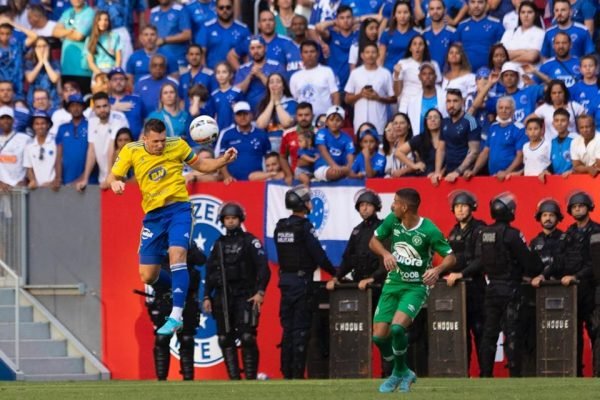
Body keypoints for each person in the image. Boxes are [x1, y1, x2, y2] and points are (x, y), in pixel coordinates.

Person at [106, 118, 238, 336]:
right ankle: (175, 288)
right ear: (145, 138)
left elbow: (202, 166)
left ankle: (175, 315)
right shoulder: (132, 150)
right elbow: (113, 174)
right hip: (153, 217)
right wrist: (115, 182)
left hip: (179, 210)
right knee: (148, 276)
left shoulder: (177, 145)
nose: (160, 145)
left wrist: (223, 160)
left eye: (163, 140)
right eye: (156, 141)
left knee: (177, 256)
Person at [370, 188, 455, 392]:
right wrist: (385, 254)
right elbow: (373, 241)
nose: (393, 205)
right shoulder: (393, 220)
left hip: (416, 286)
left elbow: (451, 257)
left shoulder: (429, 230)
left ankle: (397, 373)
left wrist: (438, 269)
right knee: (379, 337)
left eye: (396, 202)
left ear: (405, 207)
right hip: (393, 283)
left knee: (398, 328)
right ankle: (403, 371)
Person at [274, 185, 337, 379]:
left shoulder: (280, 226)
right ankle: (297, 376)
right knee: (300, 330)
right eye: (308, 201)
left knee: (288, 330)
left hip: (285, 281)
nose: (310, 203)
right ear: (303, 204)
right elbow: (318, 255)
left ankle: (286, 374)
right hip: (302, 283)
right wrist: (336, 273)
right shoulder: (304, 227)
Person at [203, 203, 270, 380]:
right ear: (222, 221)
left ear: (240, 219)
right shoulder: (218, 244)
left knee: (247, 337)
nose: (230, 221)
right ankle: (234, 380)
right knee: (225, 338)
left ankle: (250, 379)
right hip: (223, 297)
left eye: (233, 218)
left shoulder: (250, 241)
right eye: (227, 218)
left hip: (245, 295)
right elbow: (210, 272)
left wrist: (260, 292)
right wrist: (207, 296)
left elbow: (264, 268)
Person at [536, 192, 599, 376]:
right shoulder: (568, 233)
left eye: (581, 205)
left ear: (589, 207)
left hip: (593, 290)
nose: (578, 208)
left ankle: (598, 375)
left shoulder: (597, 231)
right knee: (573, 334)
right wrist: (542, 275)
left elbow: (595, 263)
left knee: (596, 332)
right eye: (574, 206)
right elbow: (558, 260)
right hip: (572, 293)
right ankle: (576, 374)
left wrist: (576, 276)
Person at [472, 192, 533, 377]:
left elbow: (479, 260)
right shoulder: (512, 235)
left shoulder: (483, 233)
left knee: (489, 333)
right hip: (511, 289)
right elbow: (531, 263)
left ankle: (485, 374)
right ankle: (514, 374)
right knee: (512, 332)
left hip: (491, 289)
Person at [146, 242, 205, 381]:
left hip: (187, 298)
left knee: (186, 339)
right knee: (162, 339)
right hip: (165, 299)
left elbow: (202, 260)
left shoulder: (189, 244)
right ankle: (161, 379)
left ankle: (188, 379)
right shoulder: (159, 244)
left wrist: (188, 247)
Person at [444, 191, 486, 375]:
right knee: (460, 334)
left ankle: (486, 374)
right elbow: (448, 258)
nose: (460, 209)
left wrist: (461, 274)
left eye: (464, 205)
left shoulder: (480, 229)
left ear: (472, 208)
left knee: (480, 333)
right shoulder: (453, 232)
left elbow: (481, 259)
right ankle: (463, 373)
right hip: (456, 292)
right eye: (457, 206)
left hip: (476, 289)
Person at [326, 188, 386, 290]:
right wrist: (336, 277)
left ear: (375, 207)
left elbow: (388, 259)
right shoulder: (357, 231)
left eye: (369, 205)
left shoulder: (383, 227)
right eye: (362, 205)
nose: (364, 208)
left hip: (380, 283)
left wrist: (373, 278)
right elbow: (348, 259)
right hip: (359, 283)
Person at [465, 96, 527, 180]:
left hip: (511, 178)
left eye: (507, 108)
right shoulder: (493, 127)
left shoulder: (519, 128)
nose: (503, 110)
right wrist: (474, 171)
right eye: (501, 108)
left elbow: (520, 156)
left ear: (513, 111)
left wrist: (506, 172)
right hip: (493, 178)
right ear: (497, 110)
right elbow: (485, 152)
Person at [77, 91, 128, 190]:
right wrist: (85, 179)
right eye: (98, 107)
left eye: (105, 106)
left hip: (120, 178)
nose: (102, 110)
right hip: (102, 179)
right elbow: (91, 151)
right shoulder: (92, 120)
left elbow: (112, 149)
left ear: (109, 105)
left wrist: (110, 178)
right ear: (94, 108)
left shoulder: (119, 119)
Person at [345, 42, 395, 136]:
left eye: (373, 52)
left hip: (379, 123)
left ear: (378, 55)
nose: (370, 55)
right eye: (367, 52)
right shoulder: (355, 73)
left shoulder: (385, 73)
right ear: (362, 55)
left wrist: (378, 98)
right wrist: (360, 94)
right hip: (360, 123)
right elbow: (347, 99)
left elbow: (393, 98)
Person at [431, 89, 481, 184]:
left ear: (462, 102)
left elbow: (474, 151)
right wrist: (437, 172)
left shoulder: (471, 120)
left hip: (466, 176)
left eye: (455, 101)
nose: (451, 105)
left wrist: (458, 172)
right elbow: (441, 149)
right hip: (448, 174)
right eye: (448, 101)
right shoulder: (445, 122)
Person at [215, 101, 271, 182]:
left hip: (257, 182)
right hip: (233, 182)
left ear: (251, 115)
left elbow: (269, 158)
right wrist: (227, 176)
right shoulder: (227, 134)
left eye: (245, 114)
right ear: (234, 117)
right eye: (239, 114)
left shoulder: (261, 134)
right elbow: (222, 158)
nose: (242, 117)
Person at [234, 35, 285, 113]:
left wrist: (261, 75)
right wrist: (249, 77)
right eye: (252, 48)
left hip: (272, 112)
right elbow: (237, 93)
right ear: (249, 51)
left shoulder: (276, 66)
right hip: (248, 114)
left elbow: (279, 90)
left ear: (265, 48)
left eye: (259, 47)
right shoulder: (242, 69)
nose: (256, 51)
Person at [289, 39, 340, 119]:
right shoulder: (295, 77)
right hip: (304, 122)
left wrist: (335, 115)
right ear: (301, 55)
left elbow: (335, 95)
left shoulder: (327, 71)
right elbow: (294, 100)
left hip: (324, 120)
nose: (309, 55)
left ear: (318, 53)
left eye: (312, 51)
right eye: (306, 52)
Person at [52, 0, 95, 94]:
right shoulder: (68, 13)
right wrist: (70, 31)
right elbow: (54, 32)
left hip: (83, 69)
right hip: (66, 67)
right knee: (68, 103)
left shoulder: (90, 13)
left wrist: (63, 32)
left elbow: (78, 36)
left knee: (83, 102)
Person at [198, 0, 251, 70]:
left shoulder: (243, 28)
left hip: (236, 74)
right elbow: (202, 54)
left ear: (232, 8)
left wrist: (243, 74)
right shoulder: (207, 28)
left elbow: (247, 55)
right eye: (221, 8)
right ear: (216, 9)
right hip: (213, 74)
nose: (224, 10)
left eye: (228, 7)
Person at [315, 5, 357, 91]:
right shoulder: (332, 35)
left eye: (348, 17)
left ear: (352, 18)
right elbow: (318, 27)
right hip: (334, 81)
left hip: (353, 82)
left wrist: (358, 19)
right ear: (337, 19)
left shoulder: (358, 35)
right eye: (342, 18)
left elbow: (379, 18)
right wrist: (334, 22)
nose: (345, 21)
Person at [456, 0, 504, 72]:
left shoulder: (496, 25)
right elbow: (456, 52)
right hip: (465, 73)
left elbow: (502, 52)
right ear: (468, 4)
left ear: (486, 4)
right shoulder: (461, 26)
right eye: (473, 2)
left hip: (490, 74)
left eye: (480, 2)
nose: (476, 5)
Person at [255, 72, 297, 151]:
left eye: (278, 81)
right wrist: (271, 102)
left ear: (283, 86)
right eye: (271, 82)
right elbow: (260, 125)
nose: (275, 84)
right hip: (268, 143)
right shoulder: (263, 104)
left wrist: (277, 102)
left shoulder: (292, 103)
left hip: (286, 142)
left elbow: (287, 123)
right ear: (268, 86)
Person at [54, 93, 90, 186]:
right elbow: (58, 156)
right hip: (67, 179)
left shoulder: (91, 125)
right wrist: (58, 177)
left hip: (88, 180)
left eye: (79, 105)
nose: (76, 108)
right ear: (68, 108)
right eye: (73, 105)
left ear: (83, 107)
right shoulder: (62, 128)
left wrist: (84, 177)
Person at [313, 105, 354, 182]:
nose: (334, 123)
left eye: (338, 120)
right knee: (333, 173)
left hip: (341, 168)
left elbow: (350, 155)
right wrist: (334, 165)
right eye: (331, 120)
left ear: (342, 123)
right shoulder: (322, 133)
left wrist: (349, 167)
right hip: (322, 167)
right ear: (327, 122)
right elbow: (322, 150)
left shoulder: (347, 138)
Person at [378, 1, 420, 74]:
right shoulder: (386, 34)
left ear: (410, 14)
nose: (402, 16)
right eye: (399, 12)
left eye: (405, 12)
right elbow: (381, 58)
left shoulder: (417, 34)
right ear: (394, 15)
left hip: (409, 73)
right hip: (389, 72)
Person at [149, 0, 192, 71]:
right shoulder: (153, 12)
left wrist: (164, 40)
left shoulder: (180, 10)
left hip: (178, 59)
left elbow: (187, 34)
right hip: (158, 61)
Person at [500, 1, 544, 66]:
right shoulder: (509, 32)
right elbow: (502, 54)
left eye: (529, 12)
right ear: (519, 15)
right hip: (510, 74)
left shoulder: (541, 33)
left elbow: (532, 57)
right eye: (523, 12)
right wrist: (523, 52)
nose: (526, 15)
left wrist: (510, 62)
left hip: (530, 75)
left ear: (535, 15)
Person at [23, 110, 57, 190]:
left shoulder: (55, 142)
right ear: (33, 126)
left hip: (55, 187)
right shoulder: (29, 146)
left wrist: (54, 181)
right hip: (37, 189)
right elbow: (28, 168)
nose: (40, 126)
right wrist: (32, 180)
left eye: (43, 123)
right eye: (37, 124)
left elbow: (62, 164)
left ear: (48, 125)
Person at [206, 61, 244, 131]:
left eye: (224, 72)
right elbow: (211, 115)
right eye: (218, 72)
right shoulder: (213, 95)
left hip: (235, 130)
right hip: (218, 130)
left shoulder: (237, 92)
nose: (221, 75)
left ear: (231, 75)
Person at [0, 106, 30, 191]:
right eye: (2, 118)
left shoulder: (24, 139)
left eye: (8, 118)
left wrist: (25, 179)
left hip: (19, 186)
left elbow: (29, 163)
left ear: (13, 120)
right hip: (1, 188)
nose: (5, 121)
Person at [25, 37, 60, 109]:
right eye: (39, 47)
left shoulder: (55, 63)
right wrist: (40, 62)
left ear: (49, 47)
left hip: (51, 99)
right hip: (34, 99)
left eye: (44, 46)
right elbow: (30, 79)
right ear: (34, 49)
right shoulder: (29, 63)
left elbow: (54, 79)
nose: (42, 49)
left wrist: (46, 62)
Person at [108, 67, 143, 140]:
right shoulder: (105, 101)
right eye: (115, 79)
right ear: (109, 82)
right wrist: (113, 108)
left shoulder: (137, 100)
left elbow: (146, 121)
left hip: (136, 143)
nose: (118, 82)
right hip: (111, 145)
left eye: (121, 79)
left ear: (126, 81)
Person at [279, 102, 314, 175]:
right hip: (296, 176)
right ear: (296, 117)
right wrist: (289, 175)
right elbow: (282, 157)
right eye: (300, 115)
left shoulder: (320, 133)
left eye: (307, 115)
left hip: (317, 176)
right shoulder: (287, 134)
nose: (303, 118)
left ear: (312, 116)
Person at [422, 0, 458, 71]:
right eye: (432, 9)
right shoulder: (423, 34)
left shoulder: (453, 33)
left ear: (445, 10)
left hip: (448, 78)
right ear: (428, 11)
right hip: (429, 78)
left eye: (438, 8)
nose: (435, 11)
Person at [179, 44, 216, 111]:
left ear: (202, 56)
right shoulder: (183, 76)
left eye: (197, 54)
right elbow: (181, 99)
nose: (194, 57)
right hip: (187, 118)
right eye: (191, 54)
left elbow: (214, 97)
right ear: (187, 56)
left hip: (204, 116)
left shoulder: (209, 75)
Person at [84, 11, 121, 75]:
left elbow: (118, 58)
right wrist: (100, 75)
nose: (103, 23)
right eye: (100, 20)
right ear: (96, 22)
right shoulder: (90, 39)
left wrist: (114, 73)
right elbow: (90, 62)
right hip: (98, 72)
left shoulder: (115, 36)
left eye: (106, 20)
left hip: (112, 71)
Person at [550, 108, 574, 176]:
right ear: (553, 123)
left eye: (563, 120)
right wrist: (546, 170)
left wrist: (572, 171)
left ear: (568, 122)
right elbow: (550, 164)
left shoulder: (575, 139)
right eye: (556, 120)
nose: (559, 123)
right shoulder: (551, 142)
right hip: (556, 181)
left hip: (572, 179)